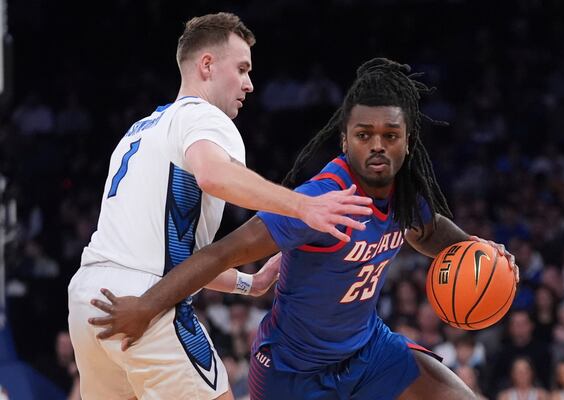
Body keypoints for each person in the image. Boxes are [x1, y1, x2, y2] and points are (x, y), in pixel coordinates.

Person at [89, 58, 519, 399]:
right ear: (344, 140)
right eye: (364, 134)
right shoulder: (318, 201)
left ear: (408, 141)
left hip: (368, 352)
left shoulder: (405, 195)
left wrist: (482, 253)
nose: (377, 145)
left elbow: (427, 232)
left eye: (391, 135)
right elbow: (218, 254)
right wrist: (145, 307)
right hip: (293, 371)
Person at [67, 12, 373, 400]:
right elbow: (213, 174)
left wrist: (252, 283)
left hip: (89, 300)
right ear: (207, 65)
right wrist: (302, 206)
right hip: (145, 299)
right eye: (242, 69)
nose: (249, 83)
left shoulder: (140, 130)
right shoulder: (203, 117)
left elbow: (175, 257)